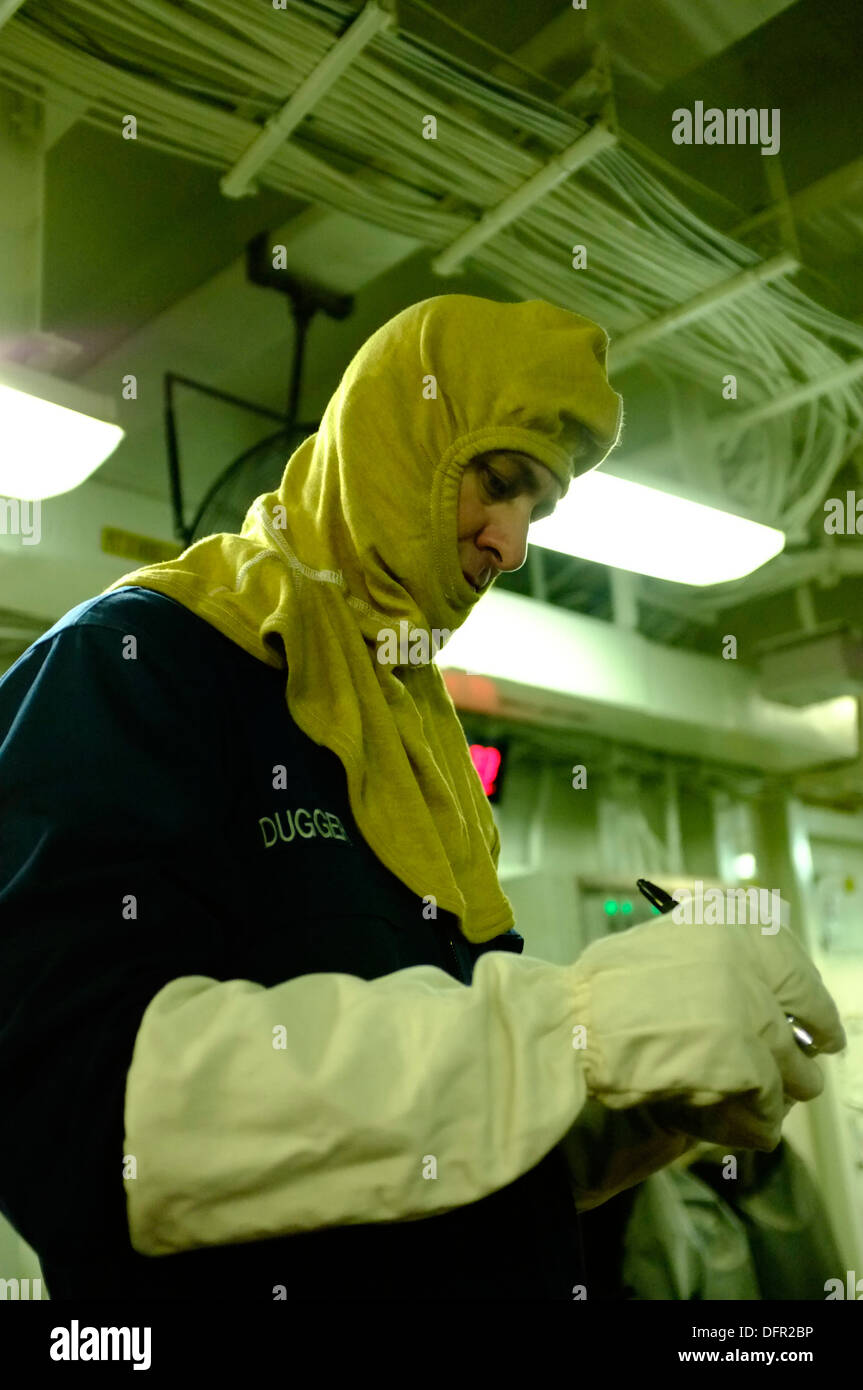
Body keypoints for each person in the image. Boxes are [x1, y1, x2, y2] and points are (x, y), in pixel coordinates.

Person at [0, 294, 845, 1301]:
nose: (512, 545)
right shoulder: (137, 665)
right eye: (498, 482)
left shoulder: (422, 751)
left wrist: (642, 1094)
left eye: (538, 509)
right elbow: (81, 1119)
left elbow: (444, 1147)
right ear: (397, 436)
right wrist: (568, 1030)